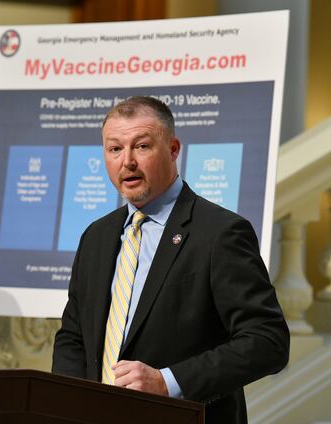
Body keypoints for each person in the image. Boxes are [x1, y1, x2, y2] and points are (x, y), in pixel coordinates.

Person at [52, 96, 289, 424]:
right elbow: (74, 335)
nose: (127, 162)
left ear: (174, 149)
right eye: (115, 149)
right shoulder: (96, 236)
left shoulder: (219, 233)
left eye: (142, 146)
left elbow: (267, 341)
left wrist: (169, 382)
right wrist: (68, 401)